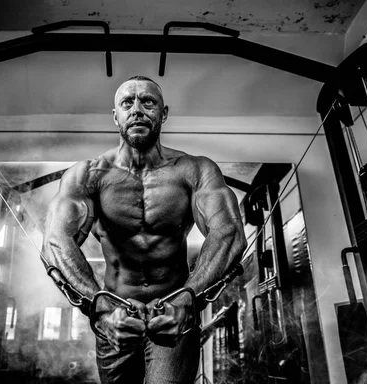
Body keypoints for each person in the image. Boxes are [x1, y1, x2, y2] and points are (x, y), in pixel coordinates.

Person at [42, 75, 246, 384]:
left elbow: (228, 233)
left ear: (163, 113)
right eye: (127, 103)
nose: (137, 110)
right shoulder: (88, 175)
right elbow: (56, 241)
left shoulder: (195, 170)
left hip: (173, 314)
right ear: (116, 116)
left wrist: (188, 298)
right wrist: (99, 306)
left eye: (147, 102)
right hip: (116, 317)